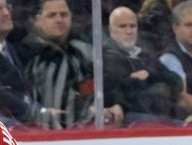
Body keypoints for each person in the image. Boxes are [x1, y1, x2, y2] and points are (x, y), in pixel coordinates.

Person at [20, 0, 122, 128]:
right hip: (51, 136)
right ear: (38, 20)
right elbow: (57, 113)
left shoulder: (82, 51)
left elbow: (104, 83)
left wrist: (116, 103)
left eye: (64, 15)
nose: (59, 20)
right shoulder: (31, 56)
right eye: (52, 15)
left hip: (87, 130)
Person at [103, 6, 183, 124]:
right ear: (111, 30)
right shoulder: (106, 58)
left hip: (160, 114)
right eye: (123, 26)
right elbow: (123, 93)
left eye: (132, 26)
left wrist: (150, 75)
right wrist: (152, 79)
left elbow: (177, 82)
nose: (129, 31)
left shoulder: (146, 53)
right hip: (130, 118)